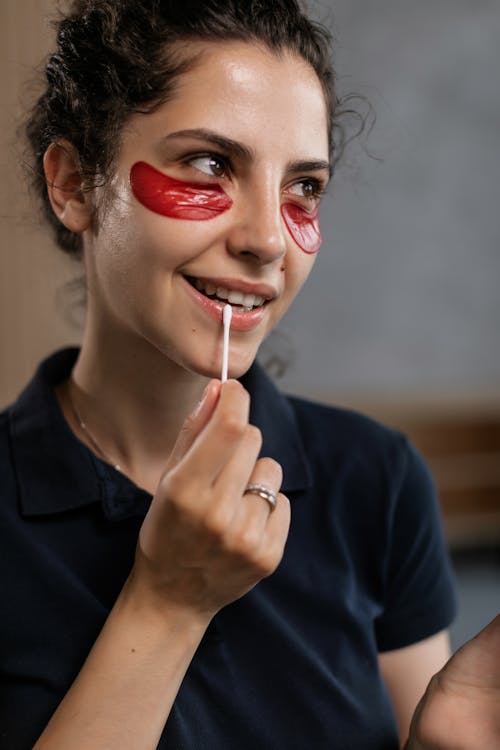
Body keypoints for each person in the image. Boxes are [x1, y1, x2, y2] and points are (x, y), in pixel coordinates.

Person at [0, 1, 497, 748]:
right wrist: (168, 600)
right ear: (74, 184)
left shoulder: (378, 480)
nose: (269, 240)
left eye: (303, 187)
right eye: (208, 163)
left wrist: (443, 738)